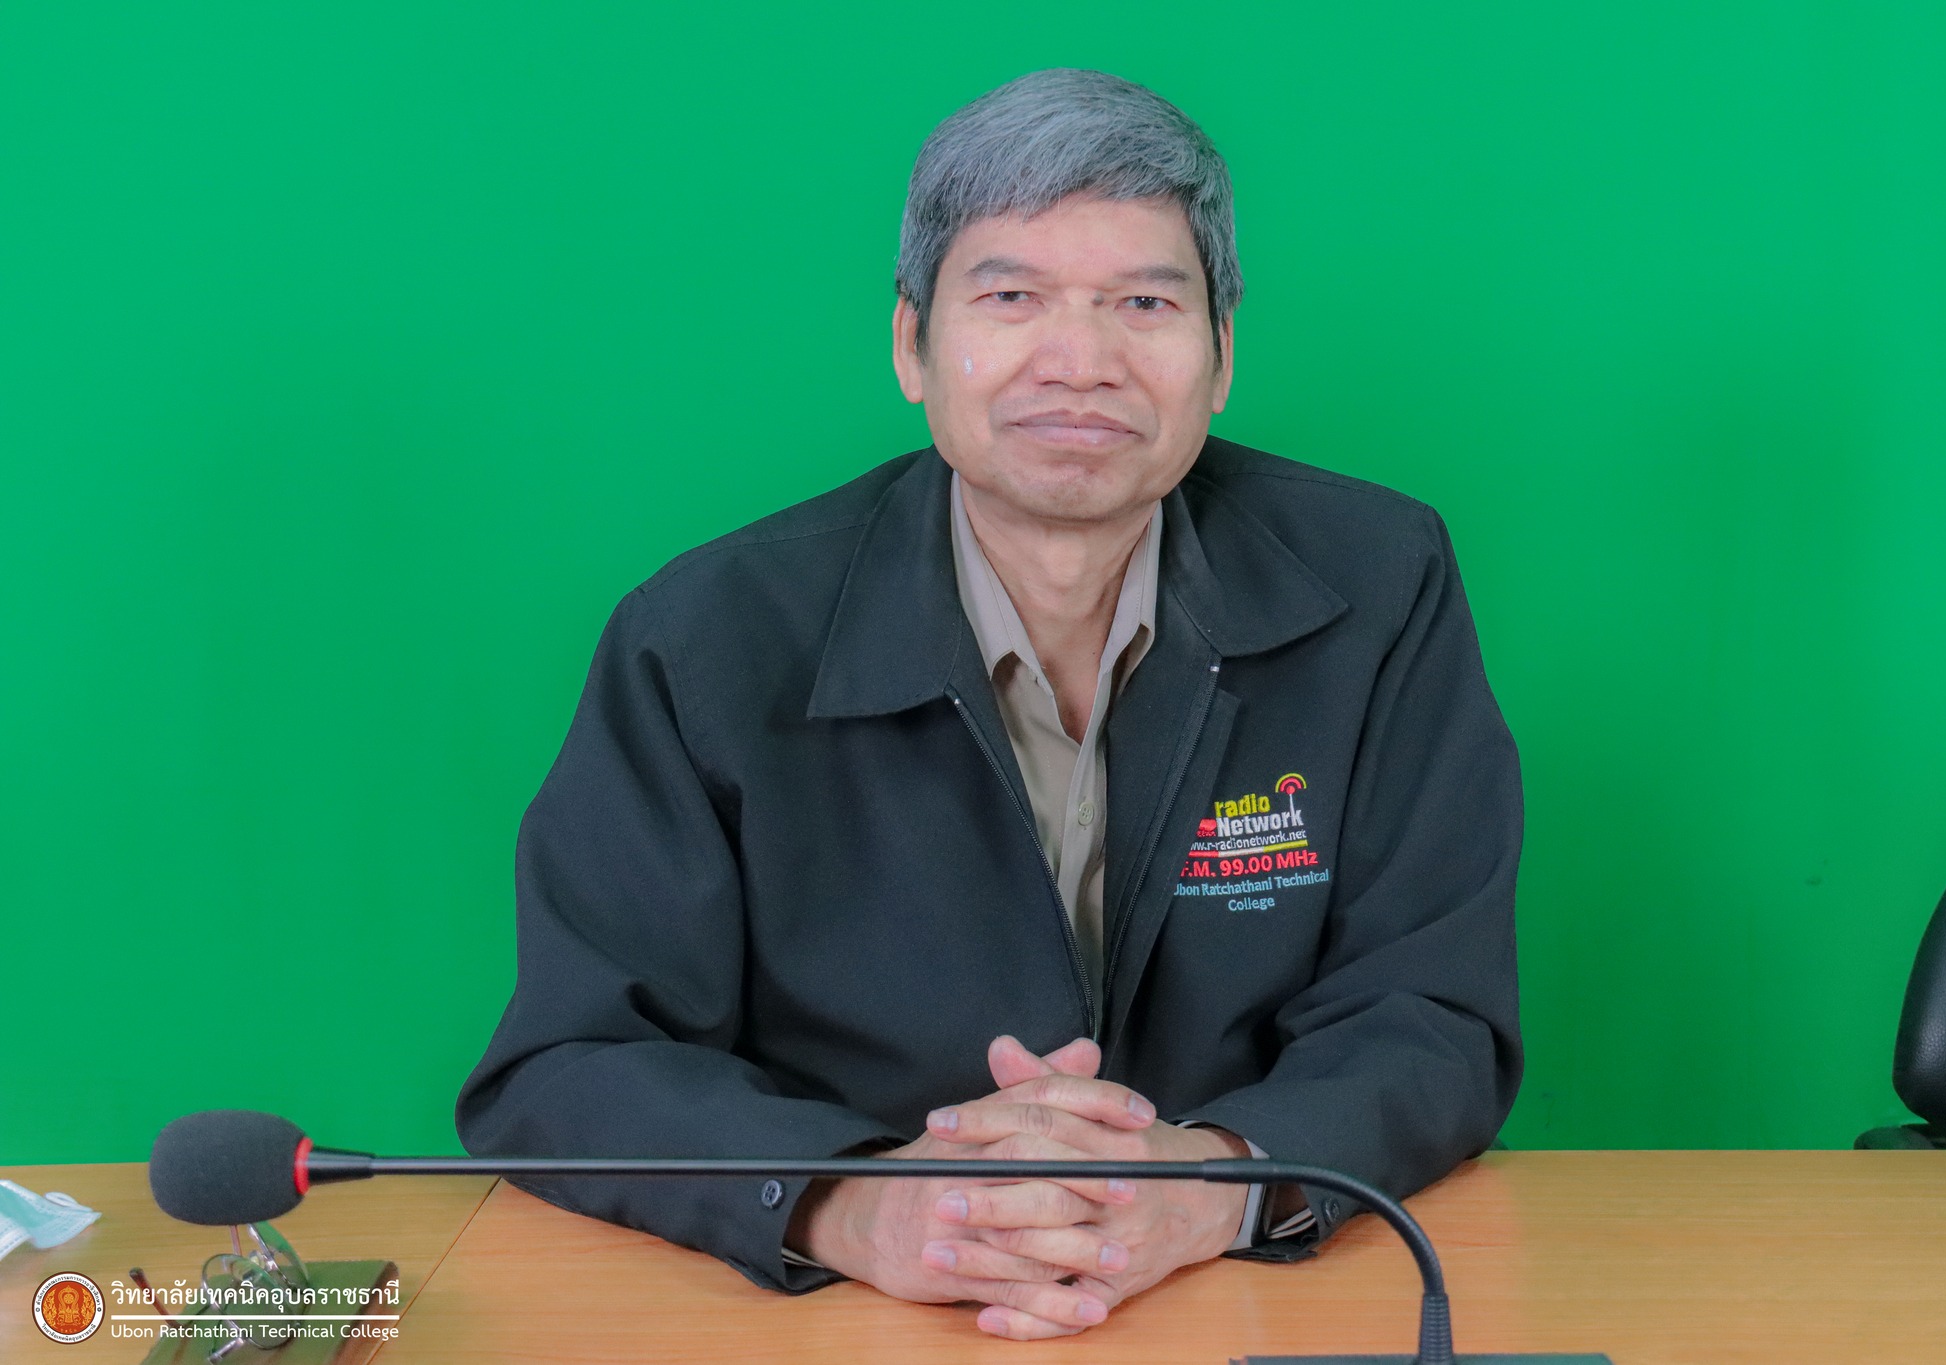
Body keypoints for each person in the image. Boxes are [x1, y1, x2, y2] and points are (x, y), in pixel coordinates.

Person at [456, 66, 1524, 1341]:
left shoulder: (1378, 584)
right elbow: (571, 1060)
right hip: (846, 1319)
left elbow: (1433, 1011)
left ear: (1222, 354)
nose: (1079, 364)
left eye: (1143, 302)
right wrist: (855, 1205)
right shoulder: (704, 638)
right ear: (909, 345)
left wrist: (1209, 1183)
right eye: (1011, 297)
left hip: (1250, 1302)